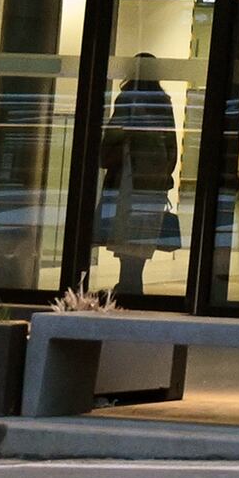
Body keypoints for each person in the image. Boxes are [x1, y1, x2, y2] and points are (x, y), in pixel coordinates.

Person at [99, 52, 180, 304]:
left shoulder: (127, 98)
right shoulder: (163, 101)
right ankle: (131, 286)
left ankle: (128, 288)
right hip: (153, 185)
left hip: (128, 181)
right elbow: (172, 145)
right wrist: (164, 175)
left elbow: (112, 137)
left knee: (125, 237)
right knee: (142, 240)